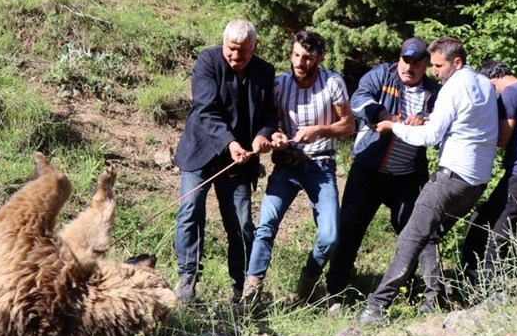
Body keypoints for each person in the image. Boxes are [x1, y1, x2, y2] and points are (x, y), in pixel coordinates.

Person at [356, 36, 499, 324]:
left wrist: (393, 126)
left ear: (456, 62)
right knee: (429, 235)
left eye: (438, 66)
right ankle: (434, 301)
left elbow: (430, 138)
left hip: (451, 177)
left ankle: (376, 307)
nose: (434, 72)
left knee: (410, 236)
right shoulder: (484, 84)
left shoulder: (453, 87)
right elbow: (462, 122)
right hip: (476, 182)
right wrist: (426, 120)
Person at [240, 30, 354, 304]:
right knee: (265, 226)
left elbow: (349, 125)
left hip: (321, 164)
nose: (300, 63)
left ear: (320, 58)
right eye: (296, 55)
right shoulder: (280, 84)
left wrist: (320, 130)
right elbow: (271, 124)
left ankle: (307, 283)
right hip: (287, 164)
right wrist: (276, 136)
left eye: (308, 58)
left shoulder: (332, 83)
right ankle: (251, 290)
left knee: (330, 235)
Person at [324, 37, 441, 297]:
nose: (409, 67)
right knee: (350, 228)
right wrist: (381, 114)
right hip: (368, 170)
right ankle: (336, 290)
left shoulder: (434, 91)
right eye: (405, 60)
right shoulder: (382, 75)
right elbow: (358, 98)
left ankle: (408, 289)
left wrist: (425, 120)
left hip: (407, 176)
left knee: (411, 233)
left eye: (416, 63)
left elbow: (443, 119)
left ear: (426, 63)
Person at [173, 19, 278, 304]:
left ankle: (242, 288)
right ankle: (188, 277)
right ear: (223, 43)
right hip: (201, 151)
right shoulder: (207, 61)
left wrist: (262, 135)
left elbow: (270, 114)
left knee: (241, 223)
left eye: (242, 50)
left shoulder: (265, 71)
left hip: (239, 160)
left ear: (254, 47)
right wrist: (230, 143)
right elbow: (206, 109)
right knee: (190, 210)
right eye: (231, 48)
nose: (235, 55)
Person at [459, 60, 517, 285]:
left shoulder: (511, 93)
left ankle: (485, 289)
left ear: (491, 82)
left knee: (494, 230)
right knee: (484, 219)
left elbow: (502, 139)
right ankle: (475, 283)